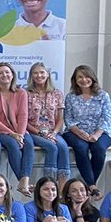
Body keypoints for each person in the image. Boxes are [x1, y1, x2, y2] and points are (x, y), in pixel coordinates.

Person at [0, 61, 34, 196]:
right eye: (0, 73)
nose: (4, 75)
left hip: (20, 129)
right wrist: (13, 135)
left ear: (12, 75)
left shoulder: (21, 92)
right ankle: (22, 181)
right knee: (13, 145)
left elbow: (23, 115)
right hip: (0, 131)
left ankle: (24, 180)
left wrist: (19, 134)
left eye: (7, 72)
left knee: (29, 144)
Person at [63, 64, 111, 191]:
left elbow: (106, 119)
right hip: (75, 132)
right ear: (75, 80)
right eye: (80, 77)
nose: (84, 80)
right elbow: (68, 119)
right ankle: (91, 186)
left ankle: (90, 184)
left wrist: (96, 135)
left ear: (92, 78)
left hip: (100, 132)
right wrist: (79, 133)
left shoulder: (103, 96)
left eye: (86, 76)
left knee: (99, 149)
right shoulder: (70, 97)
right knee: (81, 147)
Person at [26, 61, 70, 190]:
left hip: (52, 131)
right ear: (31, 76)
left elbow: (61, 118)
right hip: (34, 131)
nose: (39, 75)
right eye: (35, 73)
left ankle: (62, 190)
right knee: (52, 147)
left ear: (48, 74)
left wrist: (54, 133)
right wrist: (40, 133)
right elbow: (23, 119)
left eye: (42, 72)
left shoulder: (57, 93)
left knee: (63, 147)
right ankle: (48, 184)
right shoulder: (26, 93)